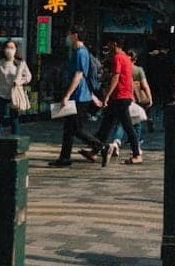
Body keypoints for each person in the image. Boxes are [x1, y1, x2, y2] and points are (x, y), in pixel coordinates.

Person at [49, 27, 105, 166]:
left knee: (75, 129)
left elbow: (79, 75)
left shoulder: (81, 52)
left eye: (69, 35)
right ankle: (64, 157)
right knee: (69, 128)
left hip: (79, 96)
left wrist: (67, 95)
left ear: (75, 35)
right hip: (81, 95)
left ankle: (101, 146)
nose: (67, 37)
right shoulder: (78, 52)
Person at [98, 37, 142, 166]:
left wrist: (106, 96)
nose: (108, 45)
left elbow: (116, 77)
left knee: (127, 126)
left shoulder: (118, 58)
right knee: (106, 125)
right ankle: (95, 150)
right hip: (123, 96)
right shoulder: (126, 58)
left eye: (109, 43)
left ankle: (136, 154)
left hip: (119, 96)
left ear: (115, 44)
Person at [0, 40, 31, 136]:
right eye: (7, 47)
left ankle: (15, 139)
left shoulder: (20, 63)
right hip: (1, 93)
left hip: (14, 94)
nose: (9, 50)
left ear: (16, 49)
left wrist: (20, 82)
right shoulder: (0, 63)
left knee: (14, 118)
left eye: (12, 48)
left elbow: (28, 76)